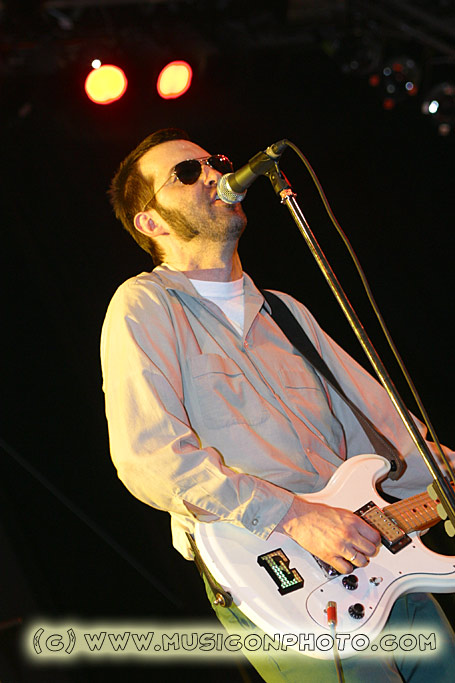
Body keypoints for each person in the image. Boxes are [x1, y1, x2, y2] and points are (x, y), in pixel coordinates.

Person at [101, 128, 455, 681]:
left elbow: (387, 437)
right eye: (187, 173)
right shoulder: (144, 305)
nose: (214, 173)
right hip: (278, 574)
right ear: (151, 222)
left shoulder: (285, 312)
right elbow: (150, 457)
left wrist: (441, 474)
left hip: (379, 554)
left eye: (214, 161)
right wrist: (294, 515)